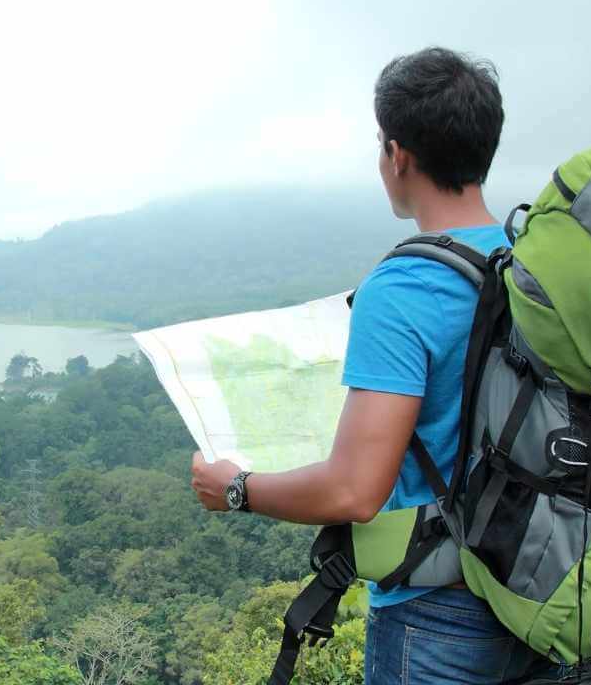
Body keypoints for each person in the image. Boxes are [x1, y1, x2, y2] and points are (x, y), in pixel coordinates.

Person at [189, 47, 542, 684]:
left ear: (398, 154)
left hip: (439, 616)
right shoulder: (528, 259)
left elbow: (355, 491)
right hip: (533, 587)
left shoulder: (405, 286)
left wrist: (236, 489)